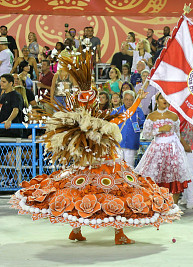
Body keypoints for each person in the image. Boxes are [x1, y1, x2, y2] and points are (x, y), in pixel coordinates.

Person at [9, 49, 181, 245]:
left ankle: (76, 230)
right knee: (116, 195)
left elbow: (122, 115)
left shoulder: (80, 121)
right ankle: (118, 234)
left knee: (81, 193)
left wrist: (138, 100)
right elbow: (123, 116)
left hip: (86, 166)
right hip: (106, 166)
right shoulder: (95, 120)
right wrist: (138, 100)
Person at [135, 93, 191, 204]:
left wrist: (181, 146)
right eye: (161, 98)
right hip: (157, 148)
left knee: (175, 176)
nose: (164, 100)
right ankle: (157, 204)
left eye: (166, 98)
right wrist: (160, 129)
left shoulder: (174, 116)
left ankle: (173, 206)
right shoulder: (151, 116)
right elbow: (146, 135)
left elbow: (177, 134)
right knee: (154, 176)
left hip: (173, 148)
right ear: (156, 100)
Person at [169, 105, 193, 209]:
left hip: (190, 145)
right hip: (180, 146)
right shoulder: (174, 107)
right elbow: (174, 129)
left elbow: (192, 126)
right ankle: (190, 201)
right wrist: (184, 144)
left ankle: (186, 198)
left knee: (189, 172)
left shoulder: (190, 105)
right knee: (189, 173)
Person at [113, 90, 145, 168]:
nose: (129, 102)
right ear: (123, 99)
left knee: (129, 167)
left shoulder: (138, 111)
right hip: (118, 144)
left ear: (134, 100)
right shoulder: (116, 111)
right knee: (117, 166)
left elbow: (142, 124)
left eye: (131, 99)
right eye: (126, 99)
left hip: (131, 144)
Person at [0, 74, 23, 138]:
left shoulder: (16, 95)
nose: (1, 83)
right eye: (1, 81)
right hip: (2, 130)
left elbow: (16, 109)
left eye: (4, 82)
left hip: (12, 131)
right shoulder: (3, 96)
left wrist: (9, 120)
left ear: (10, 83)